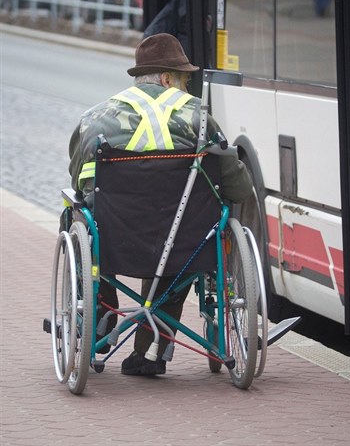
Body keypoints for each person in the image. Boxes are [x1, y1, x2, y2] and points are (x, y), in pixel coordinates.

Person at [68, 33, 253, 376]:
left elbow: (80, 178)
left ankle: (101, 318)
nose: (188, 87)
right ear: (168, 79)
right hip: (184, 244)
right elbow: (237, 186)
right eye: (185, 79)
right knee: (182, 249)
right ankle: (150, 352)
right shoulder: (199, 118)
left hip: (115, 242)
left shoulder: (96, 117)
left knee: (81, 216)